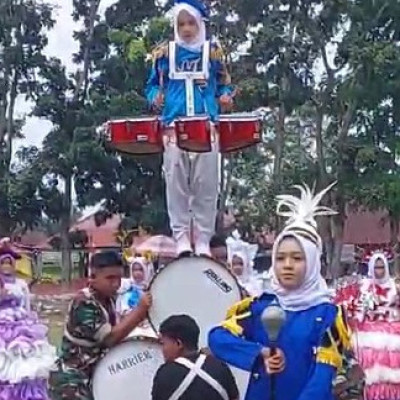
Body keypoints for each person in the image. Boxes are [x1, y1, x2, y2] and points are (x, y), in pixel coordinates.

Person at [208, 183, 352, 400]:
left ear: (313, 263)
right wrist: (259, 353)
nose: (287, 265)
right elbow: (217, 338)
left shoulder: (328, 316)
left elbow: (321, 380)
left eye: (297, 258)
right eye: (280, 258)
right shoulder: (259, 307)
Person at [146, 0, 234, 257]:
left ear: (200, 24)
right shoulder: (164, 54)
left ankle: (203, 239)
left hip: (207, 127)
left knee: (205, 185)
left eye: (190, 23)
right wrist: (155, 96)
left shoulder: (214, 53)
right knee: (176, 184)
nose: (186, 29)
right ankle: (182, 238)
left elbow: (224, 84)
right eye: (181, 23)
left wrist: (226, 96)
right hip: (174, 126)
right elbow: (152, 85)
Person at [50, 251, 152, 400]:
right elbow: (109, 338)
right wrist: (139, 312)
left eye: (118, 278)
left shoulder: (108, 299)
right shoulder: (84, 302)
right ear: (92, 277)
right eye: (110, 278)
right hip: (72, 382)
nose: (116, 284)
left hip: (94, 377)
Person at [0, 251, 56, 400]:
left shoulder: (21, 284)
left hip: (20, 327)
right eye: (2, 263)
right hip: (2, 330)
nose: (6, 266)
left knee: (24, 361)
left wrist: (31, 322)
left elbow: (27, 305)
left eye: (9, 263)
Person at [152, 314, 239, 400]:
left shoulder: (165, 373)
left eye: (164, 344)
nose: (163, 350)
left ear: (179, 344)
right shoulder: (220, 367)